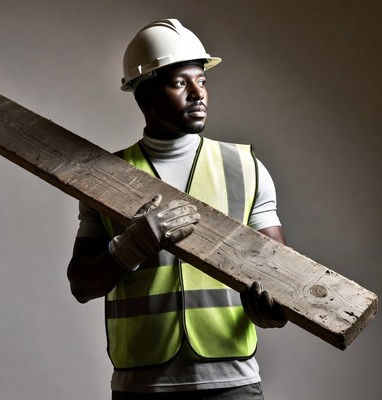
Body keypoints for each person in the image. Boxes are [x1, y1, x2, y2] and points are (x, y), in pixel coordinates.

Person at [67, 18, 287, 399]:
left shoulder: (245, 167)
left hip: (231, 382)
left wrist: (274, 310)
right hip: (142, 385)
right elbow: (82, 285)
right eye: (180, 83)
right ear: (145, 96)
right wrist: (129, 246)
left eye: (202, 80)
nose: (198, 94)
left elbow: (283, 278)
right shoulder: (106, 178)